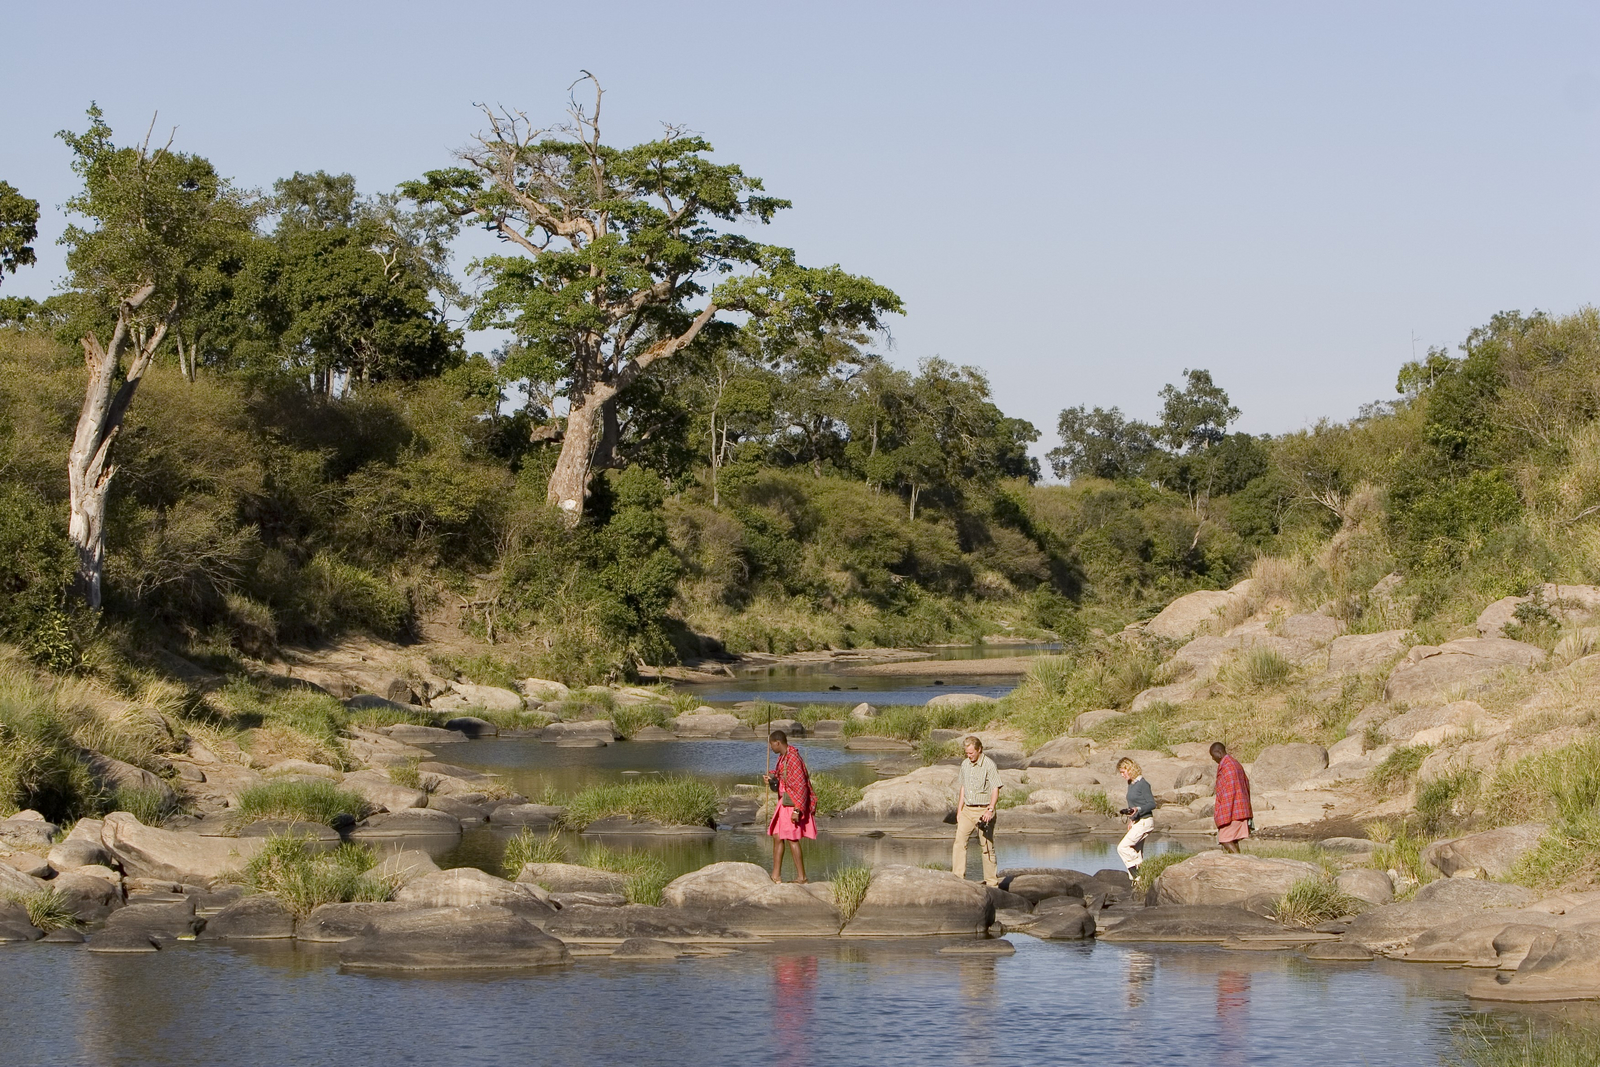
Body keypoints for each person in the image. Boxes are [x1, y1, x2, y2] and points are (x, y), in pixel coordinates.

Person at [763, 730, 816, 883]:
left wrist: (797, 810)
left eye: (772, 745)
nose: (771, 748)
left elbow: (801, 786)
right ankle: (776, 875)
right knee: (777, 836)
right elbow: (782, 775)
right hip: (784, 803)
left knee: (792, 838)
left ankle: (802, 877)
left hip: (791, 804)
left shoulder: (793, 759)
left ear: (778, 743)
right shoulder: (783, 757)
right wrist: (772, 777)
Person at [953, 735, 1000, 887]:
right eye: (967, 753)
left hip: (984, 810)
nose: (969, 756)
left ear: (979, 749)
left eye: (971, 753)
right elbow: (963, 787)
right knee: (959, 842)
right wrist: (959, 810)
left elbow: (995, 788)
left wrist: (990, 809)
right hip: (967, 810)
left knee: (986, 847)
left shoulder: (989, 765)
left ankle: (992, 882)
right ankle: (958, 878)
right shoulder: (965, 764)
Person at [1117, 756, 1156, 882]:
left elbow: (1152, 804)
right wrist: (1131, 819)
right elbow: (1132, 804)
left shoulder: (1143, 784)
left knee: (1123, 847)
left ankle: (1144, 868)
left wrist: (1138, 809)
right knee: (1136, 851)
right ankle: (1139, 881)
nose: (1122, 775)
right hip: (1137, 821)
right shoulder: (1131, 784)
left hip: (1145, 821)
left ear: (1130, 769)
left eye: (1123, 772)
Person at [1210, 741, 1253, 853]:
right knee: (1232, 840)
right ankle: (1238, 862)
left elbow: (1229, 793)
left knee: (1225, 839)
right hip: (1239, 809)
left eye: (1212, 755)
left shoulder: (1228, 767)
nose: (1212, 759)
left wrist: (1222, 815)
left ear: (1219, 753)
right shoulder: (1234, 763)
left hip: (1233, 811)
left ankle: (1239, 861)